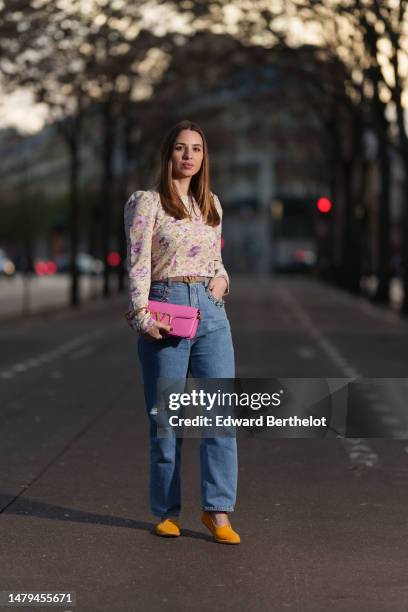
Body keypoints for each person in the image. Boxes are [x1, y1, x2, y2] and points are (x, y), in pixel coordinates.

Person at [123, 119, 240, 545]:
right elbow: (137, 263)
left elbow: (217, 261)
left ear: (204, 157)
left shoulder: (212, 205)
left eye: (196, 149)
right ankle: (167, 512)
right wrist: (140, 315)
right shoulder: (147, 203)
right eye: (180, 148)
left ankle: (218, 511)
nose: (189, 156)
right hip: (166, 309)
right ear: (167, 154)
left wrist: (222, 282)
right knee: (167, 421)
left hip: (211, 314)